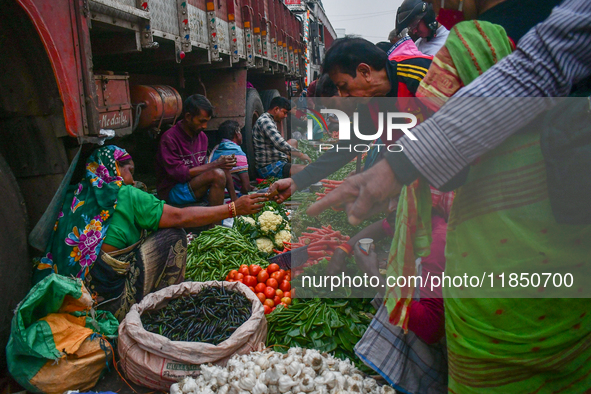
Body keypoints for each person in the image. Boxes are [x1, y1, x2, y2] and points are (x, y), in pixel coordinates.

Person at [305, 0, 591, 392]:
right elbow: (355, 144)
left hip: (493, 252)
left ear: (365, 71)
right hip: (570, 253)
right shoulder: (566, 20)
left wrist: (397, 174)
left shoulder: (453, 56)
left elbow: (452, 166)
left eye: (342, 86)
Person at [33, 146, 268, 320]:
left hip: (72, 302)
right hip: (110, 305)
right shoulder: (126, 194)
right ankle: (163, 307)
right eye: (130, 171)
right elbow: (179, 217)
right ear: (114, 169)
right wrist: (234, 208)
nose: (133, 179)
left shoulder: (75, 198)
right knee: (173, 234)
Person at [270, 36, 431, 199]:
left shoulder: (422, 75)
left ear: (364, 72)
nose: (344, 95)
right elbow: (349, 146)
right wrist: (297, 181)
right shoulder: (371, 104)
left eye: (344, 86)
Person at [156, 94, 235, 207]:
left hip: (193, 184)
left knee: (221, 168)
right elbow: (181, 174)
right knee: (217, 174)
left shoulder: (202, 137)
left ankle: (219, 219)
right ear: (188, 117)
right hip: (173, 190)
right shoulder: (169, 138)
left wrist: (235, 202)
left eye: (207, 121)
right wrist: (215, 165)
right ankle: (214, 223)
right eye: (201, 121)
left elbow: (206, 168)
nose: (205, 126)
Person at [253, 96, 311, 178]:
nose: (286, 116)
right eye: (284, 112)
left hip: (276, 158)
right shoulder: (265, 122)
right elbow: (280, 144)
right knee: (307, 169)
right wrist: (301, 155)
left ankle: (290, 168)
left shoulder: (269, 119)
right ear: (276, 109)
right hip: (269, 168)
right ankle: (290, 171)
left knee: (293, 142)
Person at [208, 120, 252, 199]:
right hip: (229, 196)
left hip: (212, 193)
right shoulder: (237, 152)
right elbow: (246, 188)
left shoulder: (216, 150)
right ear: (237, 133)